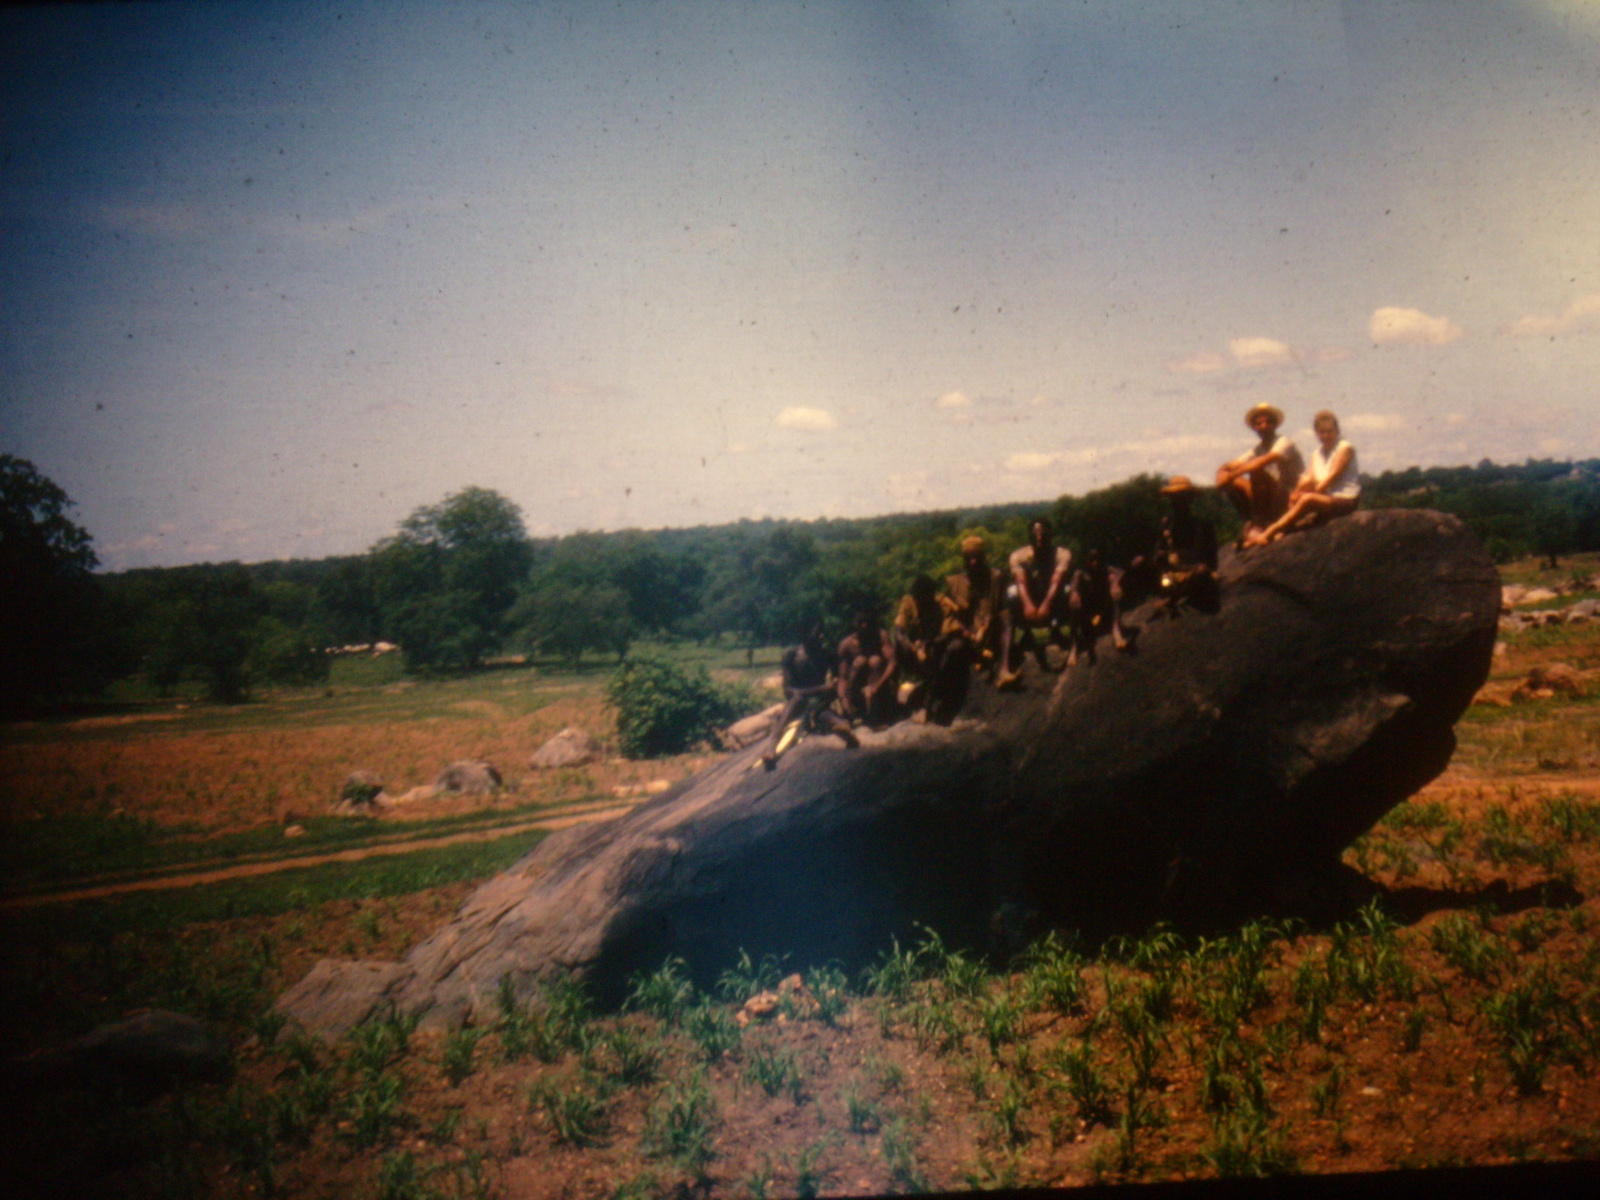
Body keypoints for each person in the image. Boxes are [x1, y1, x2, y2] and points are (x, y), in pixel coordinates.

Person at [1247, 410, 1360, 545]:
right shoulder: (1317, 453)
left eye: (1330, 431)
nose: (1326, 436)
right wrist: (1295, 494)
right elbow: (1308, 478)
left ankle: (1269, 532)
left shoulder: (1345, 448)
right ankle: (1284, 531)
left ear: (1337, 430)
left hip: (1345, 499)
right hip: (1326, 498)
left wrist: (1306, 495)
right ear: (1317, 433)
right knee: (1298, 495)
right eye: (1322, 432)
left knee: (1307, 499)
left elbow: (1331, 477)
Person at [760, 621, 858, 770]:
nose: (818, 638)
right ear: (804, 636)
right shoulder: (792, 656)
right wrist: (820, 689)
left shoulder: (826, 655)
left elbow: (841, 681)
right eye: (815, 635)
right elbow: (788, 690)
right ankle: (772, 747)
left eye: (819, 635)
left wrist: (837, 694)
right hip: (798, 700)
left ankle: (844, 729)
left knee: (821, 713)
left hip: (817, 702)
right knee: (798, 702)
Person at [1126, 476, 1219, 618]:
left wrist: (1192, 568)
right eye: (1174, 498)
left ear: (1189, 499)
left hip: (1194, 576)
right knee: (1138, 564)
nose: (1178, 502)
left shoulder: (1203, 527)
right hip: (1170, 577)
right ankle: (1164, 598)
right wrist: (1158, 557)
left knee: (1202, 572)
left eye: (1182, 498)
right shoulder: (1166, 526)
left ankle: (1172, 599)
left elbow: (1212, 564)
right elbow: (1157, 558)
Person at [997, 517, 1073, 690]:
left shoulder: (1062, 554)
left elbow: (1057, 580)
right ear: (1029, 536)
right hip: (1030, 599)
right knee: (1011, 592)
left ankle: (1062, 633)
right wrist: (1028, 605)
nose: (1039, 537)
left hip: (1053, 601)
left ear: (1050, 535)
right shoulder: (1019, 556)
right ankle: (1005, 667)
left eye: (1043, 533)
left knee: (1069, 590)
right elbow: (1021, 582)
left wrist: (1046, 604)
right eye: (1035, 534)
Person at [1215, 403, 1303, 543]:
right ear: (1254, 428)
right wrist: (1221, 474)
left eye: (1268, 422)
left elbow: (1261, 462)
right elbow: (1231, 465)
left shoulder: (1284, 442)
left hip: (1288, 495)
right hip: (1270, 498)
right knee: (1235, 482)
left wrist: (1229, 476)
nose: (1263, 426)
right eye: (1259, 424)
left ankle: (1261, 523)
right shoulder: (1257, 449)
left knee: (1256, 472)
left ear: (1275, 424)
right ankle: (1253, 522)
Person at [894, 573, 973, 724]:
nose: (922, 601)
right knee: (897, 648)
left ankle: (927, 704)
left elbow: (950, 632)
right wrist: (913, 648)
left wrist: (930, 643)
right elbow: (899, 634)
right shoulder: (908, 603)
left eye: (926, 597)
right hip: (911, 650)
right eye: (919, 597)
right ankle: (896, 700)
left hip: (933, 648)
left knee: (945, 651)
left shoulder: (940, 605)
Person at [943, 535, 1003, 676]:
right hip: (966, 634)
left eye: (976, 557)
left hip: (990, 631)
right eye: (969, 558)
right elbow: (951, 616)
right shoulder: (955, 583)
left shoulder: (995, 578)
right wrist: (968, 633)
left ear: (983, 557)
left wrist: (983, 628)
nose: (973, 562)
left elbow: (996, 608)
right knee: (953, 648)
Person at [1066, 547, 1130, 666]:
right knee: (1073, 604)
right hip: (1087, 608)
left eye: (1097, 559)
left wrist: (1115, 582)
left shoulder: (1106, 568)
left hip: (1103, 605)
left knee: (1114, 584)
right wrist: (1074, 593)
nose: (1095, 563)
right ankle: (1074, 646)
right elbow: (1073, 586)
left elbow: (1122, 573)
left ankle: (1116, 630)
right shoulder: (1081, 572)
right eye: (1092, 560)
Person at [838, 608, 897, 727]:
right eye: (861, 622)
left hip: (879, 687)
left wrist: (876, 686)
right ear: (855, 623)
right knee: (859, 662)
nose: (864, 625)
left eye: (867, 621)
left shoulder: (881, 636)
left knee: (875, 661)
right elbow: (843, 678)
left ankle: (878, 711)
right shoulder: (847, 644)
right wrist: (845, 701)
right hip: (856, 690)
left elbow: (892, 663)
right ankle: (858, 711)